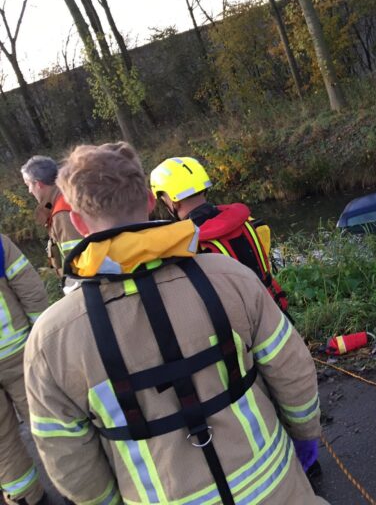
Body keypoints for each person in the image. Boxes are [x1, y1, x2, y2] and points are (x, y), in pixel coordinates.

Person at [24, 142, 326, 505]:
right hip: (274, 486)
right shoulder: (230, 278)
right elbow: (293, 372)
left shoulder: (51, 338)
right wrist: (305, 436)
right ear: (151, 202)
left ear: (75, 220)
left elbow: (67, 458)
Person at [149, 157, 289, 316]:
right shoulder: (247, 222)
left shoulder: (185, 247)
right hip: (275, 311)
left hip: (239, 327)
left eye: (163, 198)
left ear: (173, 202)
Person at [0, 233, 49, 505]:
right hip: (19, 352)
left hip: (19, 352)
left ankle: (27, 498)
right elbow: (30, 289)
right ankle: (75, 488)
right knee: (47, 423)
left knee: (2, 442)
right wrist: (43, 338)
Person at [20, 156, 81, 279]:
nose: (29, 191)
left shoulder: (62, 213)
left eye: (29, 185)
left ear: (39, 184)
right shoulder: (65, 198)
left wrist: (58, 273)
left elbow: (79, 261)